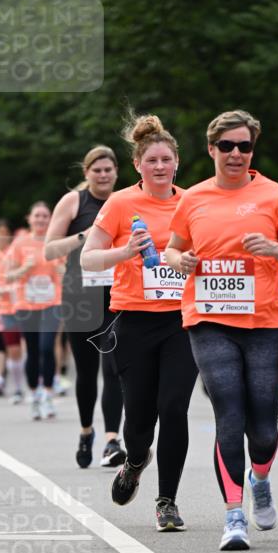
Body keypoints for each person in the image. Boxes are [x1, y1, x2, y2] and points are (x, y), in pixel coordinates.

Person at [166, 109, 278, 550]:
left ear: (252, 150)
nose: (235, 153)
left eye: (244, 146)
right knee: (228, 411)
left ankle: (260, 479)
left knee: (263, 428)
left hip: (264, 321)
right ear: (211, 149)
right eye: (227, 146)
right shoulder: (193, 198)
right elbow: (171, 250)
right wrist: (180, 260)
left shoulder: (274, 195)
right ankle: (233, 515)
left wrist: (273, 248)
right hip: (209, 319)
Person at [82, 112, 198, 531]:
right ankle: (134, 461)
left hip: (182, 322)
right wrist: (125, 252)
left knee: (174, 407)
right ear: (137, 165)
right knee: (139, 419)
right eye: (152, 160)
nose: (160, 166)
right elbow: (88, 258)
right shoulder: (120, 204)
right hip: (133, 321)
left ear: (177, 163)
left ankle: (167, 501)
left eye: (166, 160)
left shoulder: (192, 202)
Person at [45, 145, 126, 469]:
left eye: (108, 170)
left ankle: (111, 440)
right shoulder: (73, 202)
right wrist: (85, 236)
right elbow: (49, 251)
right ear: (87, 173)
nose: (103, 175)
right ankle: (86, 431)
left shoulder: (124, 201)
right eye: (97, 170)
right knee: (87, 371)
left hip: (116, 296)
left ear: (116, 172)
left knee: (113, 368)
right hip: (80, 297)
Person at [6, 202, 65, 420]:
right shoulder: (19, 244)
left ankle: (48, 395)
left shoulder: (55, 242)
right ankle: (34, 395)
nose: (40, 219)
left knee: (47, 347)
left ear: (50, 219)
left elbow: (67, 271)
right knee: (31, 351)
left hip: (52, 302)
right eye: (37, 215)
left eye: (44, 216)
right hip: (26, 303)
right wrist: (24, 268)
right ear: (29, 219)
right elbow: (8, 275)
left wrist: (61, 269)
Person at [0, 219, 20, 399]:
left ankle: (21, 384)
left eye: (5, 233)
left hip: (21, 306)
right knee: (6, 346)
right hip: (1, 308)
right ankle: (3, 380)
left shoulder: (14, 252)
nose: (2, 237)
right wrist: (2, 289)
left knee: (20, 348)